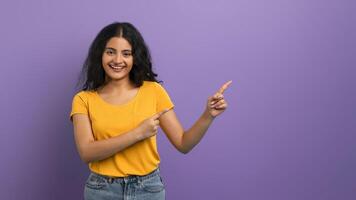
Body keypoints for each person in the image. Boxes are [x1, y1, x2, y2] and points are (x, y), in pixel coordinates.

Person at [70, 22, 232, 200]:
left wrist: (208, 115)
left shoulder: (153, 91)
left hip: (147, 190)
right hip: (102, 190)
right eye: (110, 52)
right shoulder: (83, 99)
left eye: (126, 53)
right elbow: (87, 152)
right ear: (100, 55)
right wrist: (138, 133)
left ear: (135, 57)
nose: (117, 60)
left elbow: (183, 143)